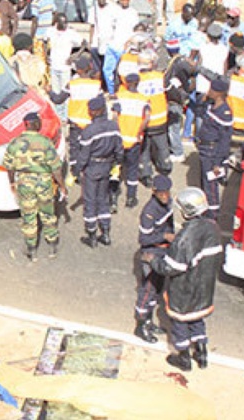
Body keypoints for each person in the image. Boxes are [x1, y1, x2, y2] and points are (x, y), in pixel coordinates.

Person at [143, 187, 221, 371]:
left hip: (184, 291)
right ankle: (202, 354)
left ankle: (184, 358)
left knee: (180, 324)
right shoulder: (213, 228)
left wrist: (152, 260)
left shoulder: (184, 239)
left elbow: (170, 268)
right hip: (205, 288)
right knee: (197, 319)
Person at [3, 112, 67, 261]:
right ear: (36, 124)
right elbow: (56, 168)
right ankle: (52, 246)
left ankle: (32, 250)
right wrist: (62, 186)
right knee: (48, 214)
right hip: (44, 182)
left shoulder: (15, 143)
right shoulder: (45, 142)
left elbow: (9, 167)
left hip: (24, 183)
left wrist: (12, 182)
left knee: (28, 216)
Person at [76, 95, 123, 247]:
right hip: (106, 166)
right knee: (103, 200)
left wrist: (77, 170)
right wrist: (117, 163)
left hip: (92, 168)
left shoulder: (89, 131)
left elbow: (83, 156)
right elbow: (119, 149)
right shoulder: (114, 127)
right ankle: (106, 233)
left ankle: (92, 236)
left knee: (90, 201)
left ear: (96, 111)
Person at [133, 174, 174, 343]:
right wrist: (164, 236)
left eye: (167, 192)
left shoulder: (168, 204)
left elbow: (169, 223)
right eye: (161, 193)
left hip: (164, 252)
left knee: (157, 289)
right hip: (151, 254)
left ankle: (149, 322)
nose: (165, 196)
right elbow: (143, 239)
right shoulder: (149, 212)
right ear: (154, 192)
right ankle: (141, 325)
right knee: (147, 291)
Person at [48, 56, 102, 177]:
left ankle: (74, 173)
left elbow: (58, 100)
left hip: (75, 123)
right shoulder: (96, 85)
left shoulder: (72, 85)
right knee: (89, 146)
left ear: (78, 70)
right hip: (90, 122)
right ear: (90, 67)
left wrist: (49, 91)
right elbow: (101, 105)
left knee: (74, 148)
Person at [110, 73, 150, 209]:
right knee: (132, 170)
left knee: (115, 168)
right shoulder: (144, 99)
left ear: (126, 84)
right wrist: (139, 132)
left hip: (120, 140)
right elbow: (147, 118)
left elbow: (115, 116)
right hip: (134, 140)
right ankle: (131, 198)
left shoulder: (120, 97)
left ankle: (113, 199)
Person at [195, 78, 232, 220]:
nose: (209, 91)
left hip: (212, 152)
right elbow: (198, 111)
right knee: (204, 182)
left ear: (219, 93)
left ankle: (213, 214)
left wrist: (218, 163)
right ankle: (206, 210)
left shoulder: (224, 113)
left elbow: (224, 141)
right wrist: (202, 100)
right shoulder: (210, 106)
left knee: (210, 185)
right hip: (204, 148)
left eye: (212, 90)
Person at [136, 50, 172, 184]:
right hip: (160, 120)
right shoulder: (160, 77)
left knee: (144, 149)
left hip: (143, 122)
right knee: (162, 146)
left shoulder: (135, 80)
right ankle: (165, 167)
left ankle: (145, 173)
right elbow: (172, 93)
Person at [44, 13, 84, 122]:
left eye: (66, 22)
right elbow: (45, 41)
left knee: (65, 93)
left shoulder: (71, 33)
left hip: (65, 67)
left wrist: (75, 55)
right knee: (55, 92)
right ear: (57, 23)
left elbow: (84, 43)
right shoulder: (50, 31)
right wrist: (46, 54)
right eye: (63, 22)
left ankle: (65, 116)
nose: (65, 24)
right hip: (54, 66)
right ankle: (58, 116)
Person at [164, 53, 198, 161]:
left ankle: (178, 152)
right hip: (177, 102)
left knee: (173, 128)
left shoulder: (176, 76)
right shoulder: (186, 78)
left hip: (175, 102)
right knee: (173, 128)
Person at [102, 0, 140, 95]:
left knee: (122, 72)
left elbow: (136, 31)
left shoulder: (133, 13)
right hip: (112, 46)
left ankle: (124, 91)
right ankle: (111, 92)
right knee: (107, 71)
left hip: (124, 49)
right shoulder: (114, 11)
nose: (125, 1)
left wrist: (129, 43)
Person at [88, 0, 116, 91]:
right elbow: (92, 26)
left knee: (107, 68)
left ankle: (107, 88)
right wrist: (90, 41)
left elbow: (115, 26)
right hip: (96, 43)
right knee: (97, 69)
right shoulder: (93, 10)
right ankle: (97, 89)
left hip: (108, 43)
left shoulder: (112, 9)